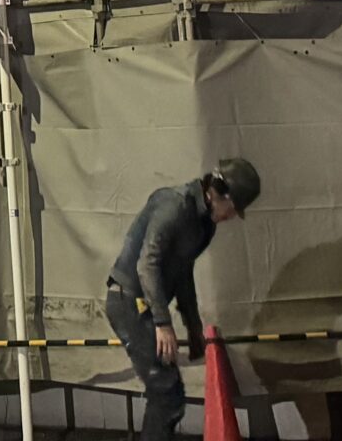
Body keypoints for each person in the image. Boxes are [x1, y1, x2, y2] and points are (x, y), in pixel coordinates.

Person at [106, 159, 261, 441]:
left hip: (144, 304)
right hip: (128, 300)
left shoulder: (204, 224)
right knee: (166, 392)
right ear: (220, 194)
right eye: (234, 207)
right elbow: (147, 264)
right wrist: (163, 323)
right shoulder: (174, 206)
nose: (233, 216)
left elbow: (183, 271)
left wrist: (193, 325)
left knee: (169, 395)